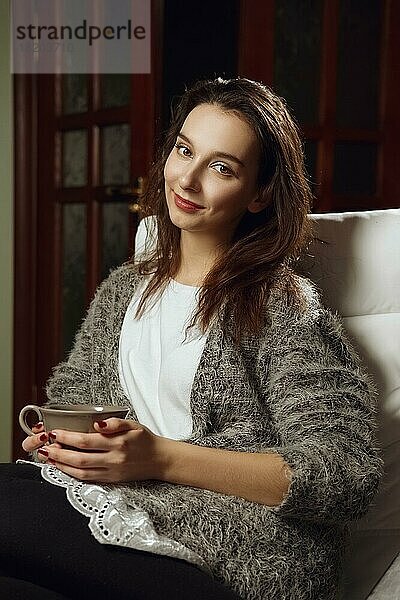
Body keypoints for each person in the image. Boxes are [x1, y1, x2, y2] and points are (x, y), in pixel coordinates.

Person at [1, 77, 383, 600]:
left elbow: (343, 475)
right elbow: (76, 404)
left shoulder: (283, 305)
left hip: (238, 559)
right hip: (122, 522)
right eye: (184, 150)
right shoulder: (125, 290)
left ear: (260, 193)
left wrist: (157, 457)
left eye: (222, 167)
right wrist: (66, 448)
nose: (189, 179)